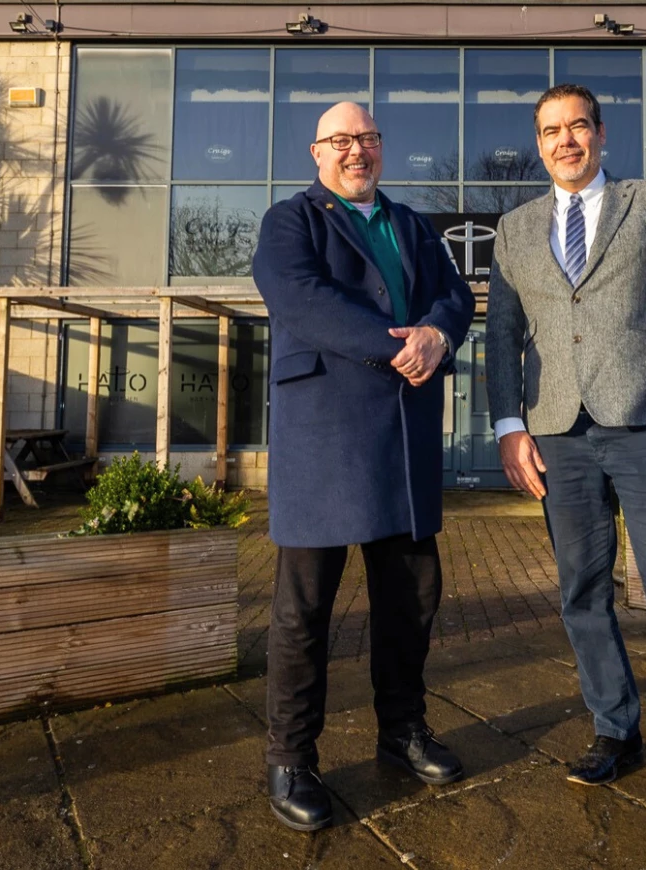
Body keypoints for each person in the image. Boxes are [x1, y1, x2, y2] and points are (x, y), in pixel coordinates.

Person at [484, 84, 646, 849]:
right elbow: (501, 336)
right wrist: (508, 427)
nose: (566, 141)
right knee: (581, 593)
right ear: (539, 144)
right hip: (557, 435)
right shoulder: (514, 228)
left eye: (578, 127)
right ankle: (614, 729)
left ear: (600, 134)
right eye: (550, 131)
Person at [250, 101, 476, 833]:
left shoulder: (411, 223)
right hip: (324, 438)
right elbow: (302, 300)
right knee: (303, 609)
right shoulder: (291, 221)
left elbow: (455, 294)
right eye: (342, 140)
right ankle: (291, 758)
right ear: (317, 154)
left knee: (411, 598)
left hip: (404, 436)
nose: (357, 151)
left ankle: (402, 730)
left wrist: (439, 333)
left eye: (368, 138)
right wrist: (402, 347)